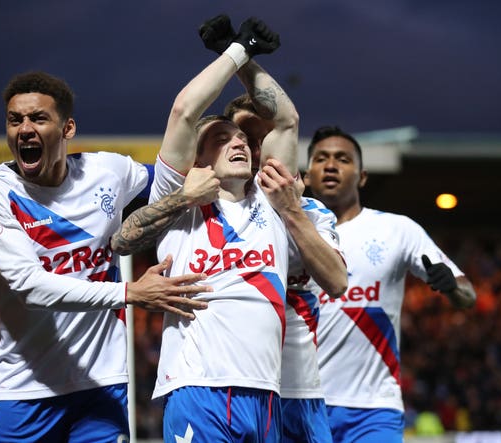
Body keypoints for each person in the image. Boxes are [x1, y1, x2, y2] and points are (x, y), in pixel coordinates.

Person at [0, 71, 214, 442]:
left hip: (102, 386)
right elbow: (30, 287)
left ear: (68, 128)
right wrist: (131, 293)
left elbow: (168, 183)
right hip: (26, 391)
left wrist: (212, 179)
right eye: (15, 120)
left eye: (38, 118)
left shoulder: (106, 172)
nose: (25, 128)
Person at [147, 14, 296, 442]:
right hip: (199, 389)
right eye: (220, 138)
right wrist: (235, 52)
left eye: (242, 139)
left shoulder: (271, 200)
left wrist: (244, 52)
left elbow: (285, 121)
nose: (238, 143)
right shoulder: (178, 207)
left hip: (266, 394)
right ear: (196, 162)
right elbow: (183, 110)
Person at [304, 125, 477, 443]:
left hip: (374, 410)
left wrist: (451, 285)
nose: (331, 165)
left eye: (342, 159)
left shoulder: (397, 230)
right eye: (321, 158)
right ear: (306, 176)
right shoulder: (290, 233)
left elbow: (468, 295)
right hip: (304, 403)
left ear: (363, 176)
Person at [224, 89, 347, 441]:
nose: (258, 151)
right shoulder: (209, 211)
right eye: (246, 140)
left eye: (267, 139)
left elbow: (337, 282)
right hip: (231, 389)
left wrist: (290, 209)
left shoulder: (312, 212)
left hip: (297, 392)